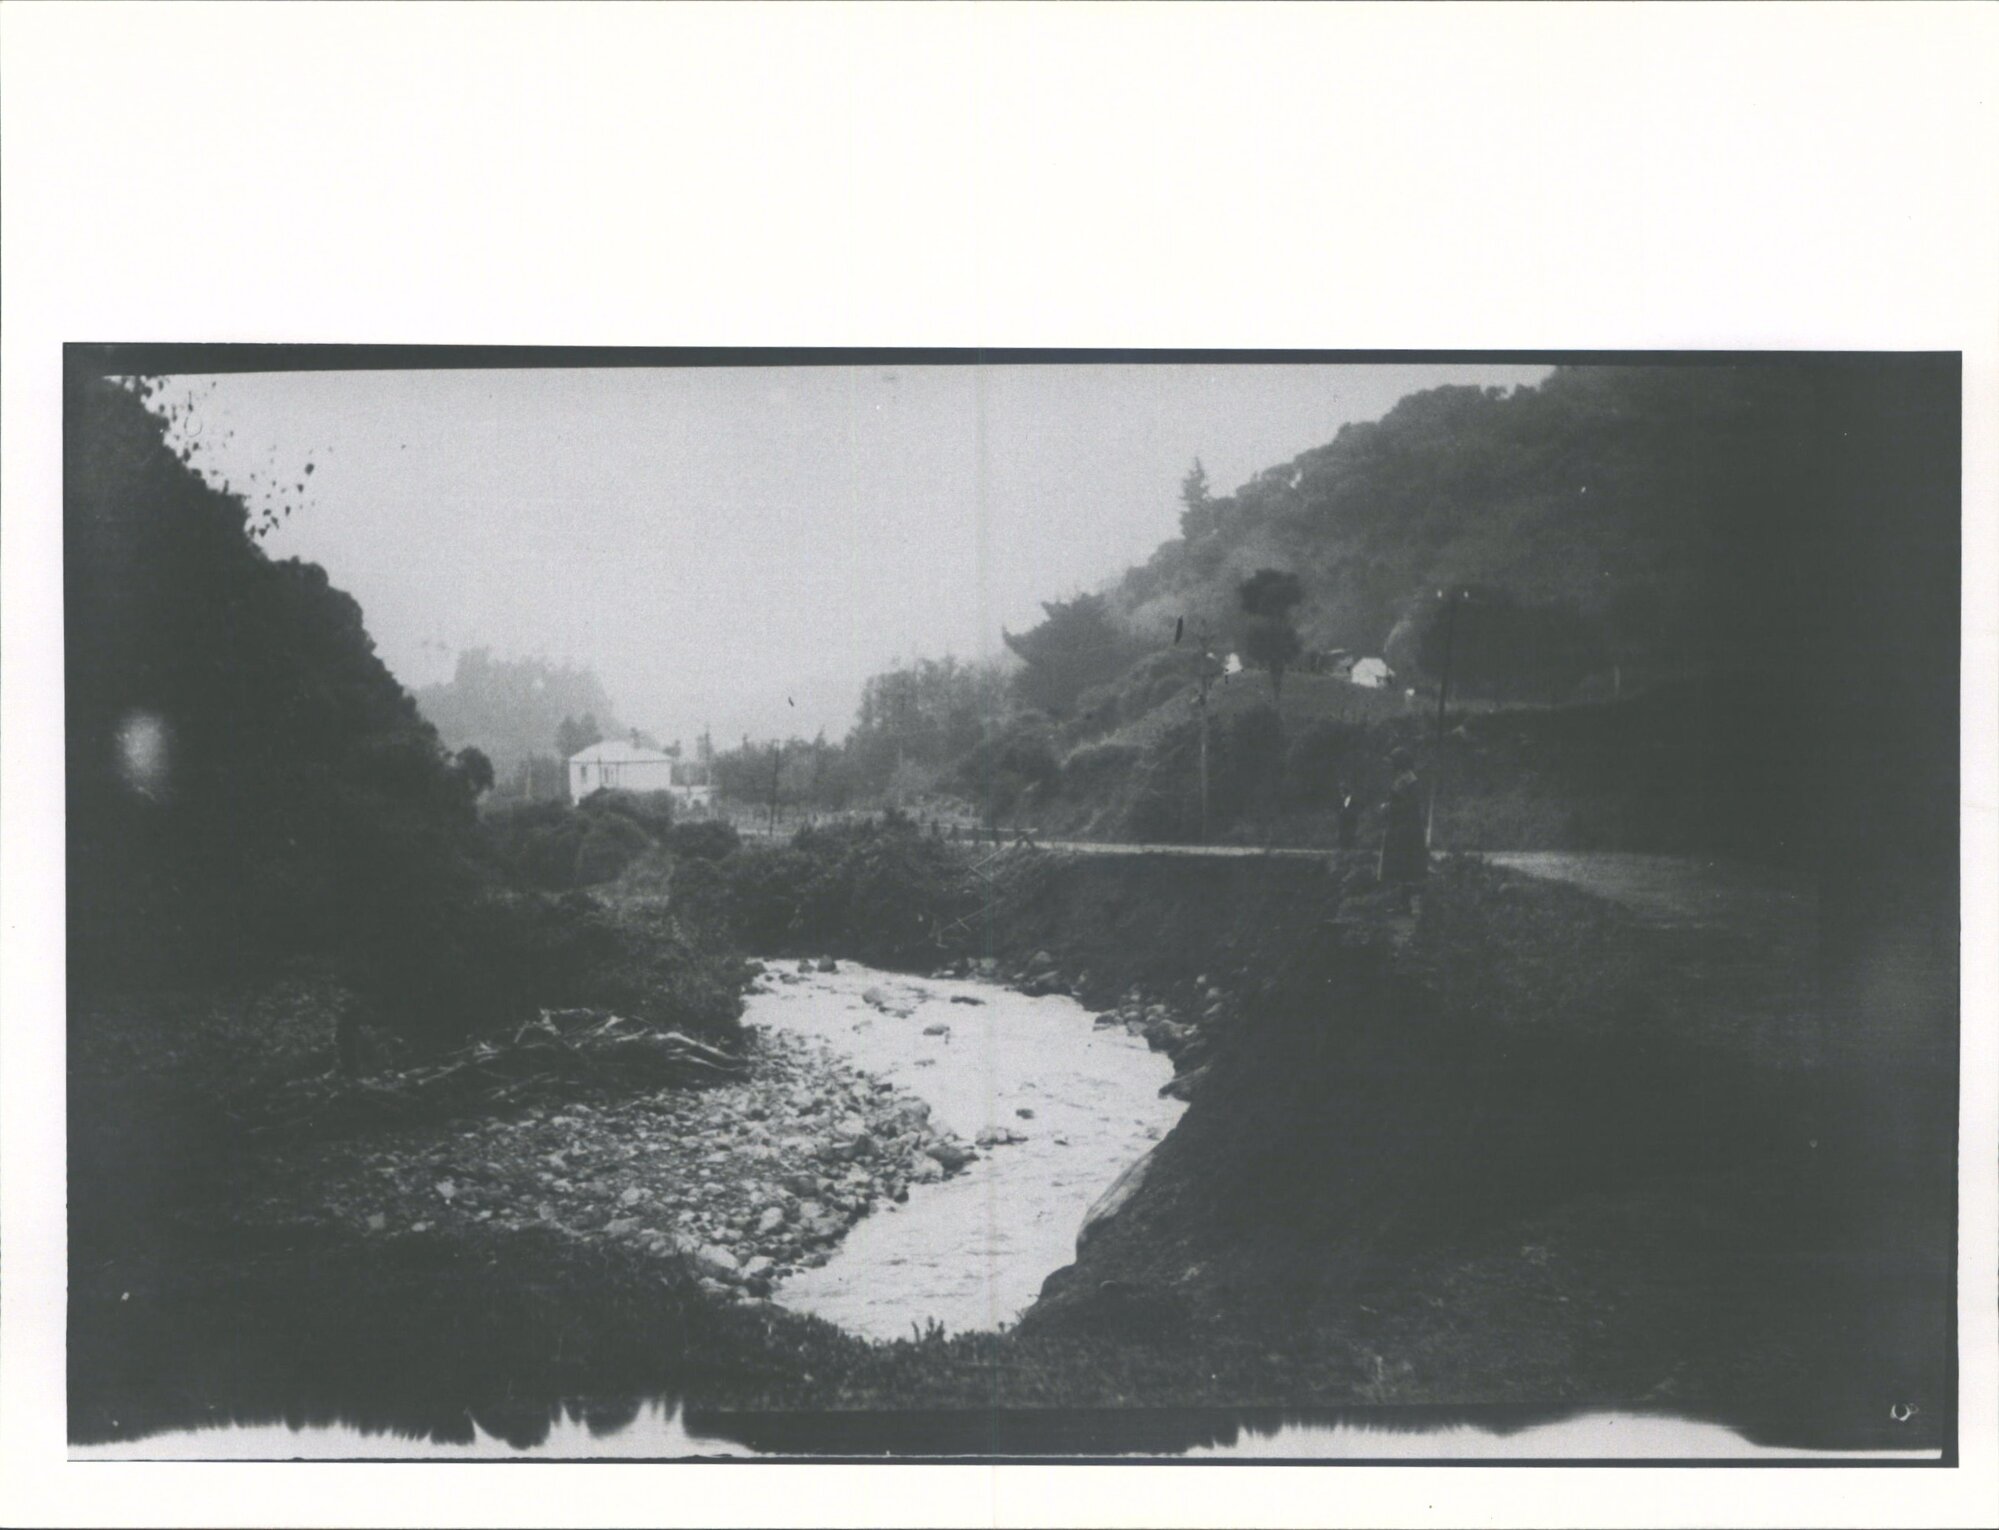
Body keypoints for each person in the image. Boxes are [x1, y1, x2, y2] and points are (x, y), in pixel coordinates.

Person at [1378, 747, 1426, 887]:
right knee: (1399, 867)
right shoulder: (1402, 777)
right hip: (1399, 825)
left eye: (1393, 762)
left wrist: (1389, 807)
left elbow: (1410, 805)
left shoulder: (1409, 780)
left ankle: (1406, 897)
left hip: (1406, 828)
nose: (1390, 765)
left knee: (1405, 867)